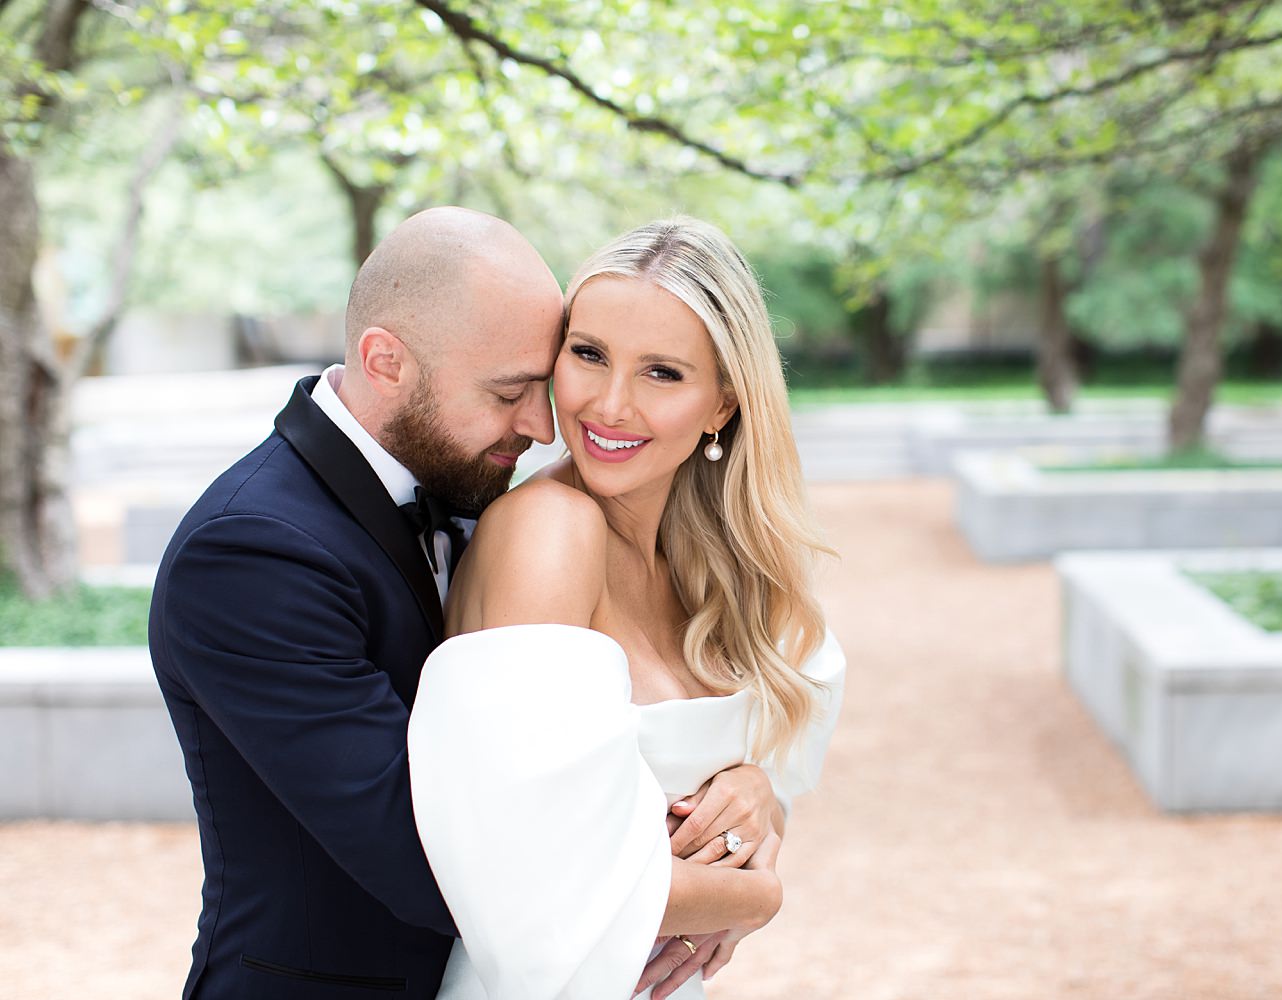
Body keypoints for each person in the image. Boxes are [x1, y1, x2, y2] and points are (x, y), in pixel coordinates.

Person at [148, 207, 782, 999]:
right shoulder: (249, 554)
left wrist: (756, 799)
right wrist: (753, 892)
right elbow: (449, 862)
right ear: (387, 362)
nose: (548, 422)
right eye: (513, 391)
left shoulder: (470, 481)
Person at [407, 216, 845, 1000]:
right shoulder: (549, 531)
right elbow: (530, 873)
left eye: (663, 373)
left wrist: (758, 797)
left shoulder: (710, 562)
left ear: (723, 406)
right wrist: (758, 893)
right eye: (589, 355)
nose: (609, 405)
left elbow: (778, 746)